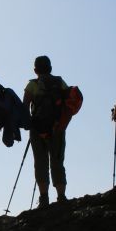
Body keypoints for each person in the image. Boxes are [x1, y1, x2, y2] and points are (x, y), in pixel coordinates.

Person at [23, 55, 70, 207]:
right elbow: (69, 104)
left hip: (37, 130)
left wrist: (29, 124)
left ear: (35, 70)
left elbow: (24, 107)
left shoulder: (32, 85)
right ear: (50, 68)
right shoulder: (60, 82)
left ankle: (44, 198)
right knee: (57, 161)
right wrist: (61, 125)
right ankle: (61, 196)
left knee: (40, 162)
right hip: (57, 128)